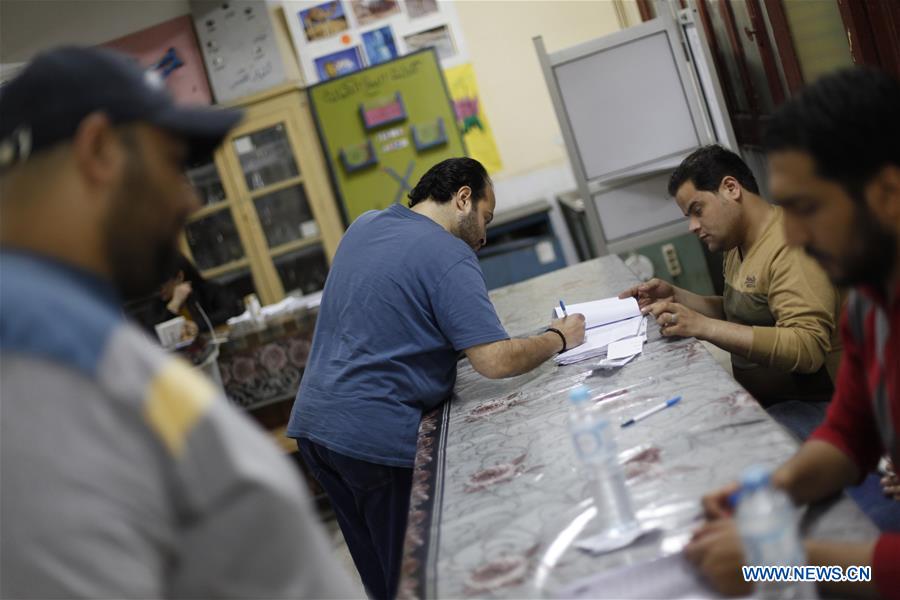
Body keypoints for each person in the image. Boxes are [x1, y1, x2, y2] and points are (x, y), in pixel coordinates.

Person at [0, 46, 354, 598]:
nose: (188, 197)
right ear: (99, 151)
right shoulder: (32, 369)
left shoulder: (64, 334)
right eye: (171, 164)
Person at [286, 157, 586, 599]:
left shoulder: (366, 224)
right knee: (415, 580)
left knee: (380, 579)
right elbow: (494, 361)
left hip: (315, 429)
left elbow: (385, 325)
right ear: (463, 199)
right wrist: (557, 337)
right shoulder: (450, 252)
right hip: (373, 436)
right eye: (486, 218)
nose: (484, 236)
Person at [685, 67, 899, 599]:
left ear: (888, 194)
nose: (796, 235)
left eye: (809, 209)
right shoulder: (869, 307)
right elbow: (849, 435)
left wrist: (778, 564)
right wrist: (768, 494)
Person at [619, 145, 842, 435]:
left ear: (731, 188)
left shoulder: (791, 246)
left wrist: (704, 327)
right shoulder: (738, 244)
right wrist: (676, 297)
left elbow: (807, 348)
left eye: (697, 211)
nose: (693, 226)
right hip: (775, 400)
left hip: (821, 405)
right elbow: (745, 313)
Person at [123, 252, 243, 336]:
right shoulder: (158, 303)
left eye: (162, 285)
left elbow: (232, 308)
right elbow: (150, 336)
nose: (158, 290)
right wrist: (173, 305)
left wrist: (198, 325)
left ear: (179, 277)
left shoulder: (206, 290)